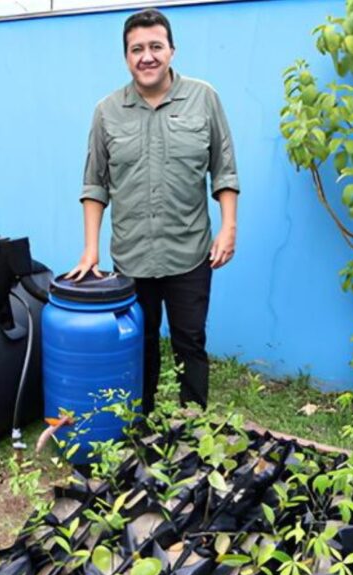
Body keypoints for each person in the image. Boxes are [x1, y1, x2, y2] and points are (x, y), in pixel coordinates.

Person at [67, 7, 239, 412]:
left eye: (156, 47)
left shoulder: (204, 99)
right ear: (126, 57)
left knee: (189, 342)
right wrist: (91, 250)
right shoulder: (107, 111)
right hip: (132, 255)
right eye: (137, 49)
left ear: (171, 51)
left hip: (189, 251)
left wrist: (229, 227)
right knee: (138, 345)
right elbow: (95, 184)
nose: (147, 56)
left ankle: (192, 424)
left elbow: (224, 169)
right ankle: (139, 423)